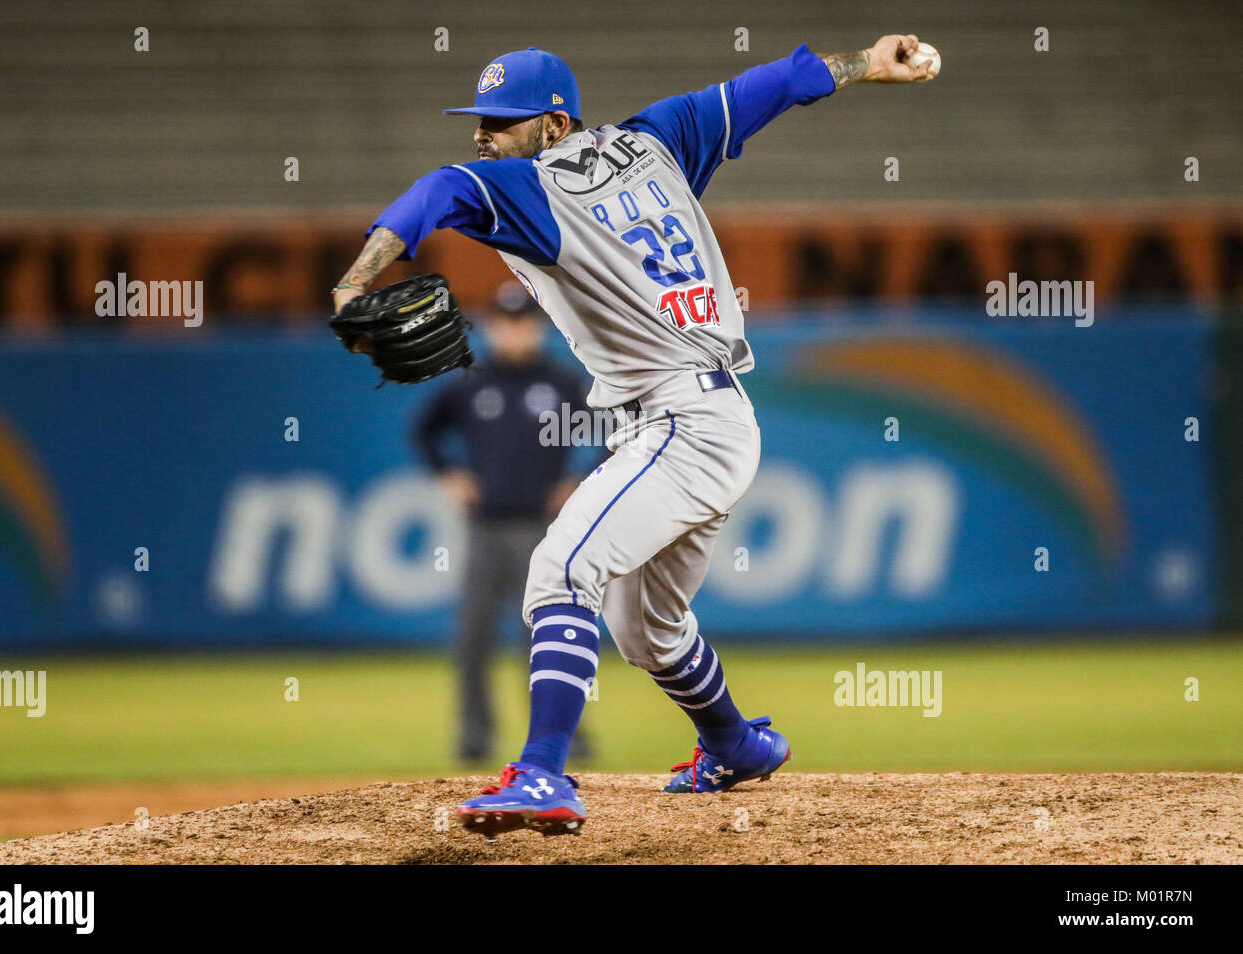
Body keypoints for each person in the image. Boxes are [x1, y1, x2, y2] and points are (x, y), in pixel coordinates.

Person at [331, 36, 935, 837]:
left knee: (560, 568)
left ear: (552, 126)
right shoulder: (661, 137)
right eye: (479, 118)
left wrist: (353, 280)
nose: (483, 133)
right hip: (709, 419)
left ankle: (542, 775)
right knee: (643, 627)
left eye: (501, 121)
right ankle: (734, 742)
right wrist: (865, 63)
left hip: (683, 422)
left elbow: (439, 191)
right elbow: (776, 83)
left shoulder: (530, 188)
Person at [413, 281, 593, 764]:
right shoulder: (472, 383)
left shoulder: (561, 383)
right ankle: (475, 736)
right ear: (492, 327)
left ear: (537, 328)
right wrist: (448, 474)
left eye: (523, 323)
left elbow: (609, 432)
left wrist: (579, 479)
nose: (514, 332)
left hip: (543, 529)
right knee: (471, 636)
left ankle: (565, 737)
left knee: (548, 636)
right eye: (505, 323)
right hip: (485, 528)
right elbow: (424, 431)